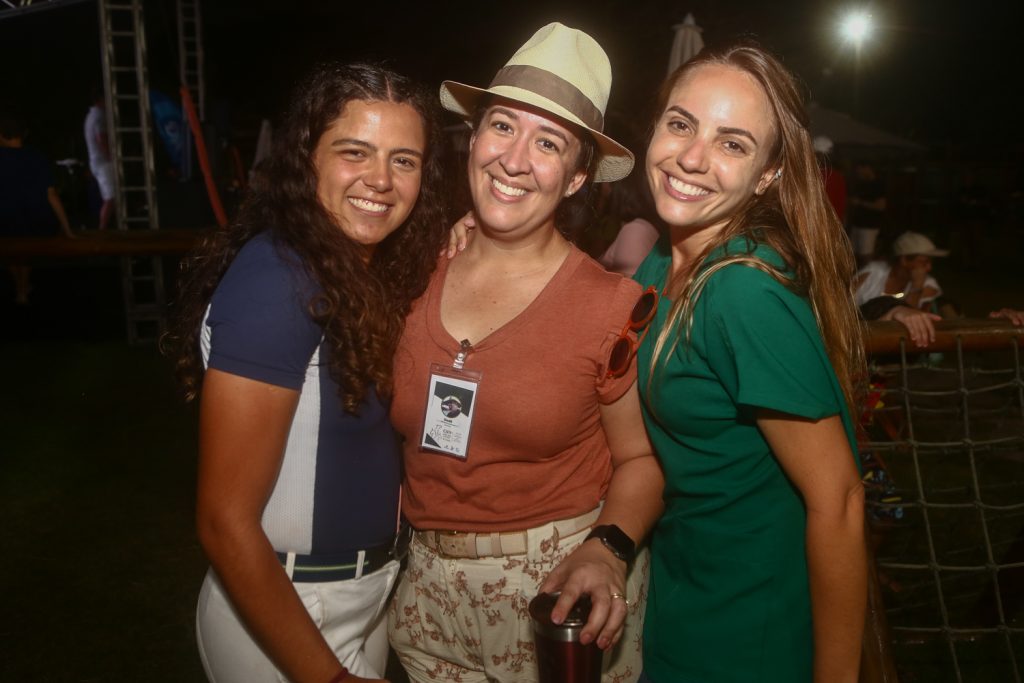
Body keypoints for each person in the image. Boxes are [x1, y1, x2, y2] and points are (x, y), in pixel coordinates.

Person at [387, 23, 664, 683]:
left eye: (548, 143)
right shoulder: (410, 268)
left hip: (558, 596)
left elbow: (641, 461)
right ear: (473, 138)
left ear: (576, 177)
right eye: (503, 126)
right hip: (423, 593)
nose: (514, 159)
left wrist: (608, 551)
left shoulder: (608, 305)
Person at [163, 62, 448, 683]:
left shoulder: (353, 271)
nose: (380, 179)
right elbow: (223, 520)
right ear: (306, 158)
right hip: (290, 610)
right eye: (355, 152)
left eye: (404, 160)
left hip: (358, 600)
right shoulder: (280, 281)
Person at [633, 42, 867, 682]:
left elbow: (841, 499)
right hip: (684, 596)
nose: (692, 157)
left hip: (748, 635)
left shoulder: (742, 291)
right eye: (681, 124)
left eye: (732, 144)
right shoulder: (663, 259)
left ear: (767, 176)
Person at [0, 113, 75, 304]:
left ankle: (21, 286)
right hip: (35, 222)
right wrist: (67, 228)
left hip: (7, 221)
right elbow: (52, 195)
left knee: (13, 242)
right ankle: (23, 287)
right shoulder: (36, 157)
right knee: (22, 242)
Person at [83, 89, 115, 229]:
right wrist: (111, 156)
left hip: (96, 161)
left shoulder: (91, 116)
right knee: (110, 197)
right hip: (103, 162)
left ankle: (105, 227)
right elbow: (101, 138)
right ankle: (102, 229)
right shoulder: (99, 116)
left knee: (110, 196)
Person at [848, 160, 887, 266]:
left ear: (867, 168)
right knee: (853, 253)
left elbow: (881, 206)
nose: (858, 173)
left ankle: (870, 278)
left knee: (866, 255)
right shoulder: (861, 184)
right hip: (857, 224)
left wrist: (860, 202)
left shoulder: (878, 184)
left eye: (860, 170)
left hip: (869, 225)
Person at [813, 135, 847, 224]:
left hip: (821, 225)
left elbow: (840, 204)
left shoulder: (807, 175)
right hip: (827, 225)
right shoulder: (837, 176)